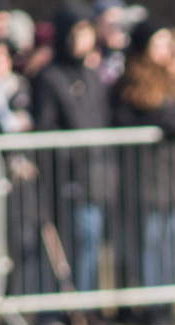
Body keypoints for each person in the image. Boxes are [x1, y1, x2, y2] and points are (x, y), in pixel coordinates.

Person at [111, 17, 175, 303]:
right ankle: (150, 304)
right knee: (150, 242)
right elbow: (132, 118)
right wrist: (164, 121)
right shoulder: (130, 83)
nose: (165, 49)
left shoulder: (171, 80)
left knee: (169, 242)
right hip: (144, 177)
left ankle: (167, 303)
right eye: (158, 42)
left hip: (172, 175)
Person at [32, 3, 112, 294]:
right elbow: (45, 127)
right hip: (67, 176)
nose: (83, 39)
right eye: (78, 32)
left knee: (91, 242)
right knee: (74, 241)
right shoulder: (49, 77)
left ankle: (87, 304)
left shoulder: (93, 76)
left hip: (98, 174)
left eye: (87, 32)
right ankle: (60, 308)